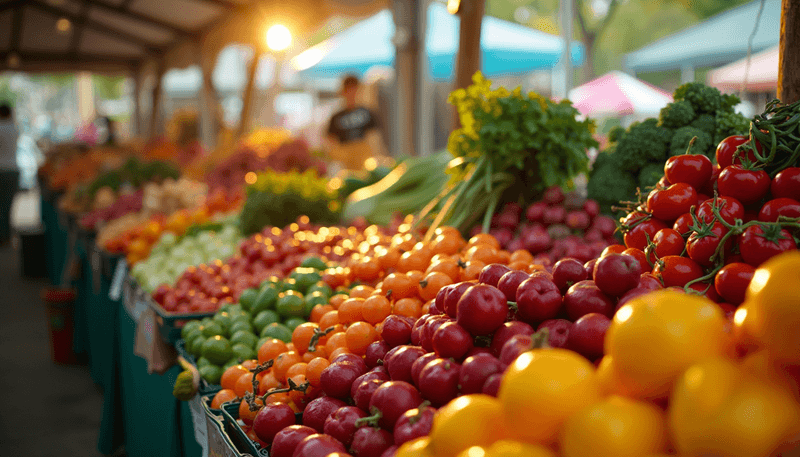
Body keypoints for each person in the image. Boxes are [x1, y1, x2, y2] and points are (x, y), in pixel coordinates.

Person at [326, 75, 386, 171]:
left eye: (354, 90)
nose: (351, 94)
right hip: (345, 164)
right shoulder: (336, 117)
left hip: (365, 161)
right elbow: (330, 141)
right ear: (343, 92)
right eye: (348, 91)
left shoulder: (367, 113)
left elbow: (375, 138)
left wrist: (379, 158)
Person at [0, 103, 19, 244]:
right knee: (8, 205)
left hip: (2, 170)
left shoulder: (1, 128)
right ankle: (6, 235)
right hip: (13, 169)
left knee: (2, 205)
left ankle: (3, 235)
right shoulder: (14, 128)